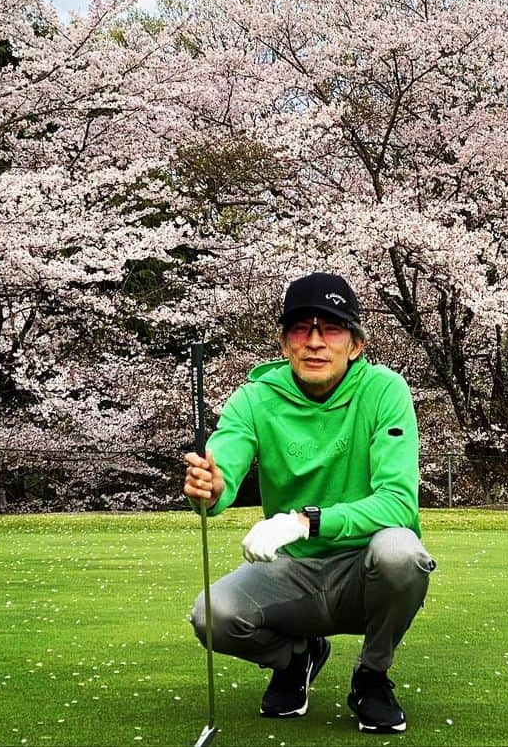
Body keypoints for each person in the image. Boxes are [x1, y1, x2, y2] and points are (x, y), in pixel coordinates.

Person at [183, 272, 435, 735]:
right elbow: (226, 467)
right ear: (284, 343)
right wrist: (211, 488)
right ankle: (298, 657)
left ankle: (372, 676)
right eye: (302, 329)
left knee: (403, 553)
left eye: (331, 329)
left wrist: (305, 522)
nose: (315, 342)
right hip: (291, 573)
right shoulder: (254, 399)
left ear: (355, 344)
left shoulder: (384, 391)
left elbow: (400, 504)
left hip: (364, 569)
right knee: (210, 616)